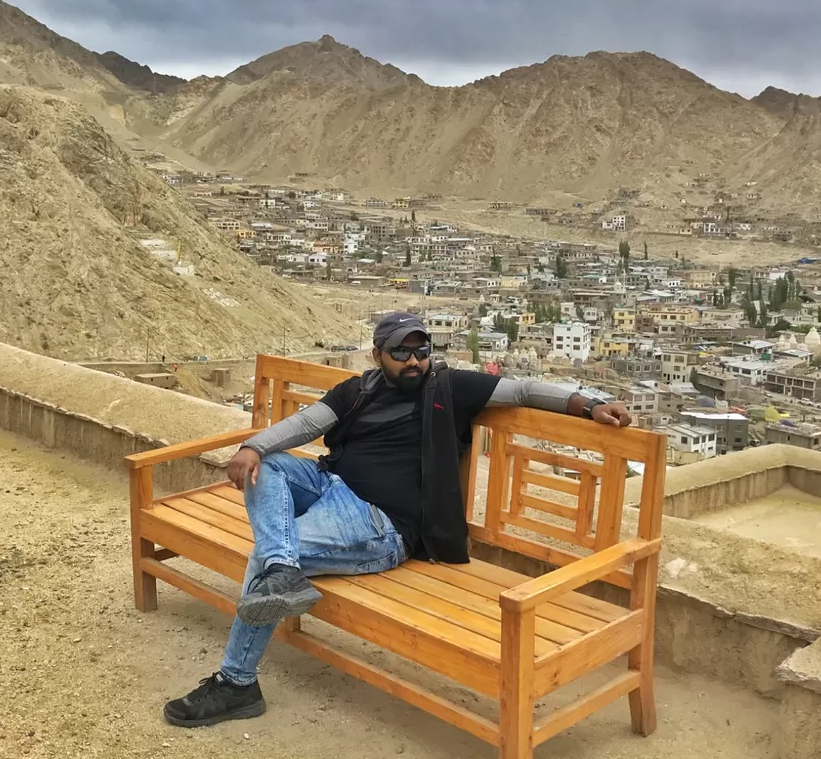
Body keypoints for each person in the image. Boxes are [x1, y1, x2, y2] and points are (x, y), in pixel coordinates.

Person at [163, 311, 634, 727]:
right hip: (330, 484)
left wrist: (589, 403)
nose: (413, 362)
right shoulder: (358, 391)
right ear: (378, 354)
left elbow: (526, 389)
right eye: (400, 352)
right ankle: (281, 569)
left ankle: (237, 682)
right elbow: (307, 425)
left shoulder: (450, 387)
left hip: (378, 524)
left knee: (264, 557)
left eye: (421, 350)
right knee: (266, 469)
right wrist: (253, 447)